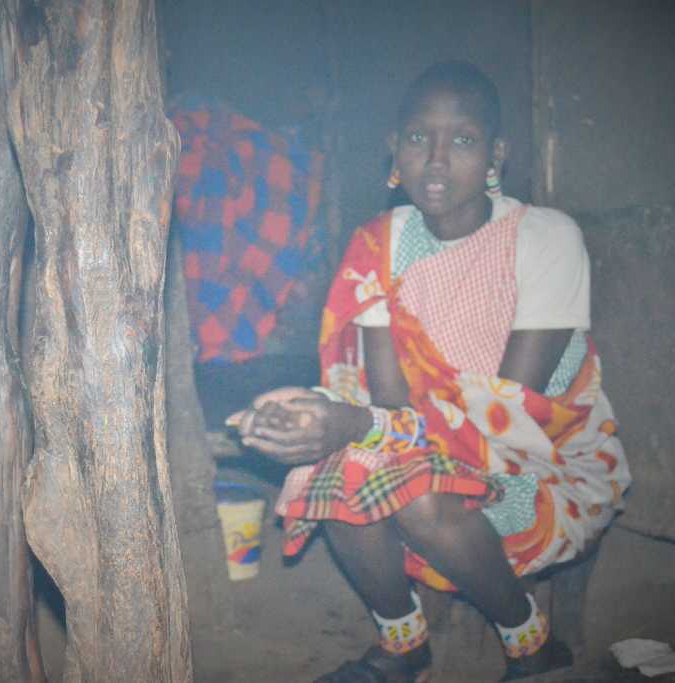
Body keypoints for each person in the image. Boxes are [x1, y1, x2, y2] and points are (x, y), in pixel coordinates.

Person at [227, 61, 631, 683]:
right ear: (395, 148)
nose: (437, 160)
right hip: (423, 449)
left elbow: (508, 413)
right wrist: (306, 409)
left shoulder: (545, 238)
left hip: (540, 462)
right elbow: (389, 402)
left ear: (497, 154)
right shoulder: (379, 245)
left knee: (411, 492)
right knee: (332, 468)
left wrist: (359, 423)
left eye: (462, 141)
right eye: (419, 139)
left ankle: (531, 644)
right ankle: (403, 641)